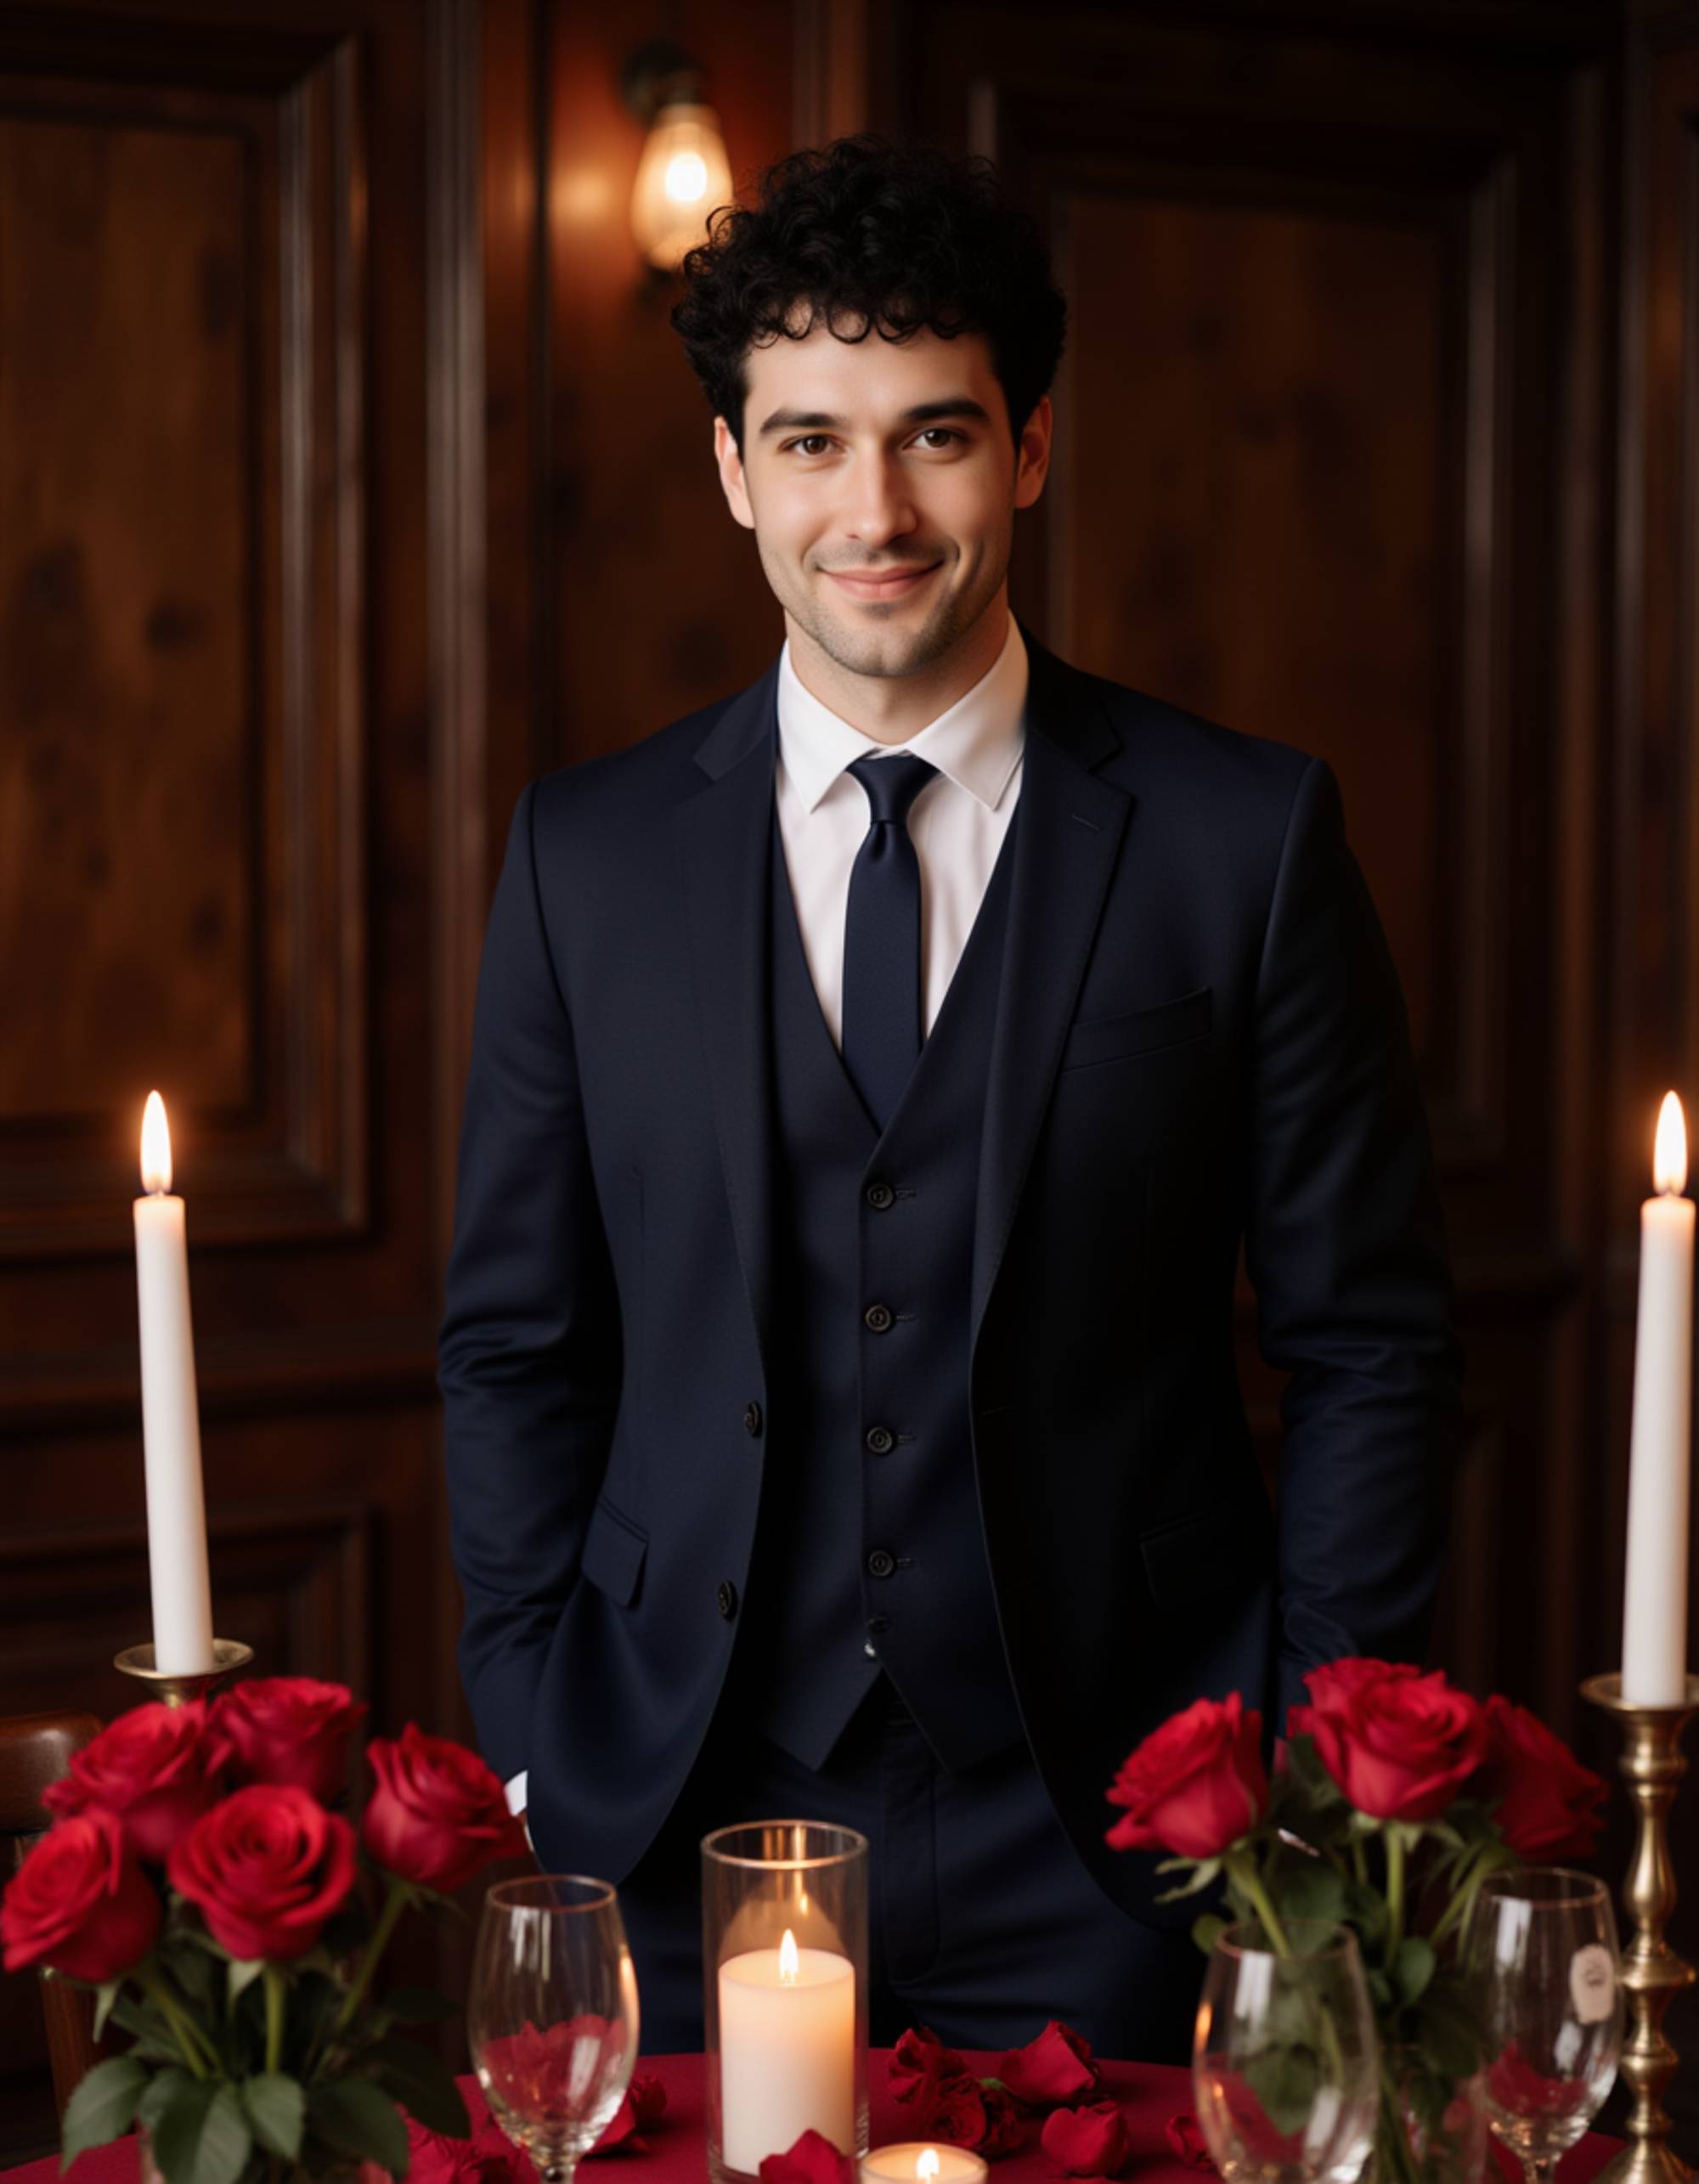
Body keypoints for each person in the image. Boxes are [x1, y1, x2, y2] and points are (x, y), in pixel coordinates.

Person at [439, 135, 1460, 2061]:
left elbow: (1372, 1344)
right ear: (733, 471)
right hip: (679, 1803)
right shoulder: (585, 855)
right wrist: (531, 1734)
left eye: (935, 433)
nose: (876, 510)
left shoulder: (1242, 839)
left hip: (1125, 1830)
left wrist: (1310, 1768)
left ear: (1032, 446)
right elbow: (513, 1340)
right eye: (810, 441)